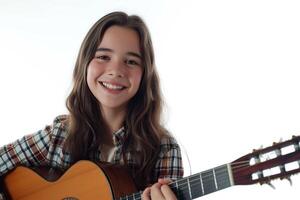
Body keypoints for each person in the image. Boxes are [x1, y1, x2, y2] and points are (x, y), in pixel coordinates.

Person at [0, 11, 183, 199]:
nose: (116, 71)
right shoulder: (59, 135)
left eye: (131, 61)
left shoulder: (163, 148)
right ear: (85, 64)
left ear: (145, 75)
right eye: (103, 57)